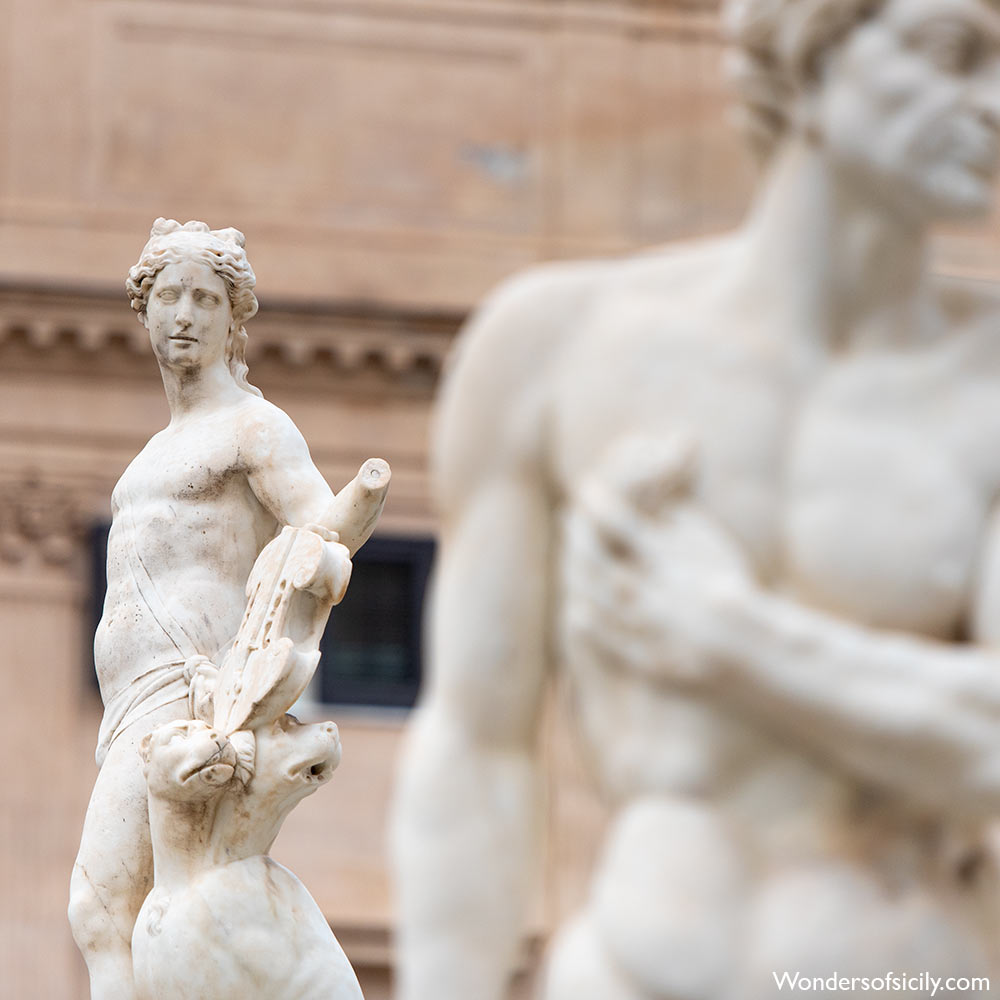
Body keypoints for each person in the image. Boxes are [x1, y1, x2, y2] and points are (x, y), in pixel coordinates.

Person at [390, 1, 1000, 997]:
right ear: (807, 61)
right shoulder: (555, 346)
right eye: (951, 53)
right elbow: (476, 746)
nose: (994, 105)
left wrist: (730, 635)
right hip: (631, 971)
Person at [68, 219, 388, 1000]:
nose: (184, 314)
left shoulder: (253, 425)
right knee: (142, 906)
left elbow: (320, 523)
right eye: (169, 296)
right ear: (143, 311)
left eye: (205, 299)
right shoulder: (154, 450)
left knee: (103, 906)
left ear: (233, 318)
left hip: (192, 690)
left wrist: (365, 495)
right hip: (130, 703)